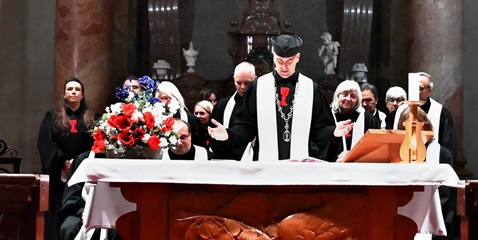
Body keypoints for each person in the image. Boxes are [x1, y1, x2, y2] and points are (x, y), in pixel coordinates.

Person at [207, 34, 345, 161]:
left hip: (301, 167)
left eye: (289, 61)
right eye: (280, 61)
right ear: (274, 57)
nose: (284, 66)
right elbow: (245, 126)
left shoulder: (311, 88)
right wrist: (228, 134)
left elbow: (320, 128)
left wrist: (334, 133)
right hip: (265, 165)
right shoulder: (257, 87)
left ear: (297, 57)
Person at [393, 110, 457, 240]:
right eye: (407, 128)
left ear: (426, 127)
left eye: (417, 126)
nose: (412, 132)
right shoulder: (395, 153)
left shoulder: (440, 154)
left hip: (431, 213)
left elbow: (446, 191)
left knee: (423, 237)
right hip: (400, 212)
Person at [37, 77, 95, 240]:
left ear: (82, 94)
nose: (73, 92)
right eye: (69, 89)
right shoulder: (52, 117)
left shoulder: (91, 118)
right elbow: (45, 142)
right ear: (64, 94)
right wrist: (62, 161)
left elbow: (96, 145)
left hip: (82, 174)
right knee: (56, 213)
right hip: (58, 174)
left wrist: (78, 162)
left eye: (77, 89)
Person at [393, 72, 458, 166]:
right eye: (414, 88)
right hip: (404, 158)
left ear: (429, 91)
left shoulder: (441, 112)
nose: (417, 91)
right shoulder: (401, 110)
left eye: (421, 88)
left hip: (432, 161)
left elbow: (447, 144)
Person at [327, 79, 380, 162]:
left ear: (358, 100)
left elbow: (375, 146)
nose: (348, 99)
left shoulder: (367, 118)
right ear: (337, 96)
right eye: (345, 95)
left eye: (353, 96)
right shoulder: (328, 115)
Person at [156, 80, 207, 150]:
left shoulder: (190, 118)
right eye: (164, 98)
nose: (168, 101)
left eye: (171, 97)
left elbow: (199, 144)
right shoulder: (154, 118)